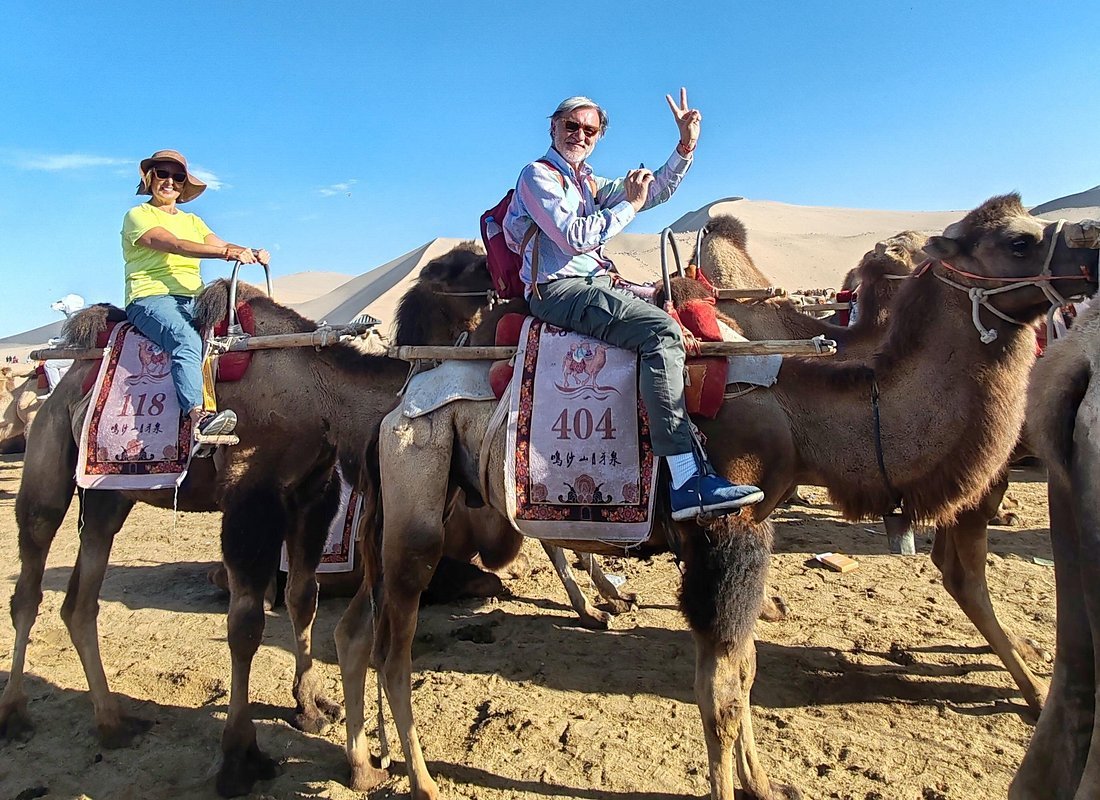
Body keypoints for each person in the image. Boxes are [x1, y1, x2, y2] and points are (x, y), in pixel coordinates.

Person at [503, 90, 763, 521]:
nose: (580, 135)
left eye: (590, 130)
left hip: (597, 282)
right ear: (553, 127)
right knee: (660, 333)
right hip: (560, 290)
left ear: (598, 137)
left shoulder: (588, 182)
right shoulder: (538, 177)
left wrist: (685, 146)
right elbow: (575, 237)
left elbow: (653, 190)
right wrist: (629, 205)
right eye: (572, 125)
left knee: (680, 305)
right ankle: (685, 481)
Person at [122, 149, 268, 450]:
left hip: (194, 298)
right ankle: (198, 416)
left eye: (177, 177)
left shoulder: (193, 221)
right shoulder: (139, 215)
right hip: (151, 297)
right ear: (150, 178)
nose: (170, 182)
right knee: (186, 339)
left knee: (241, 332)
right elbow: (173, 244)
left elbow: (221, 243)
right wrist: (227, 253)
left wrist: (251, 252)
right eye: (162, 174)